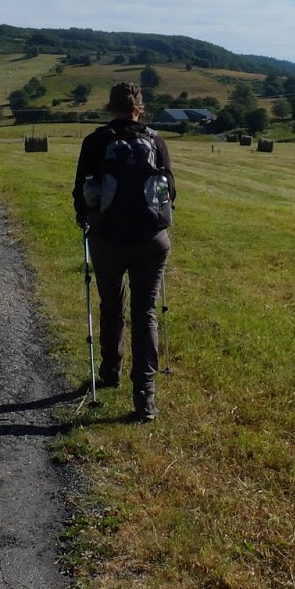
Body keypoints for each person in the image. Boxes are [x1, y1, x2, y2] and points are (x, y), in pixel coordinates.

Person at [73, 82, 176, 422]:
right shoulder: (156, 141)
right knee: (145, 310)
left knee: (111, 305)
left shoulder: (95, 141)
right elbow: (170, 191)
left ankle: (110, 370)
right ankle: (145, 396)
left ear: (110, 107)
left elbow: (81, 192)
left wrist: (86, 218)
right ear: (139, 108)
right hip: (151, 238)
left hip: (108, 238)